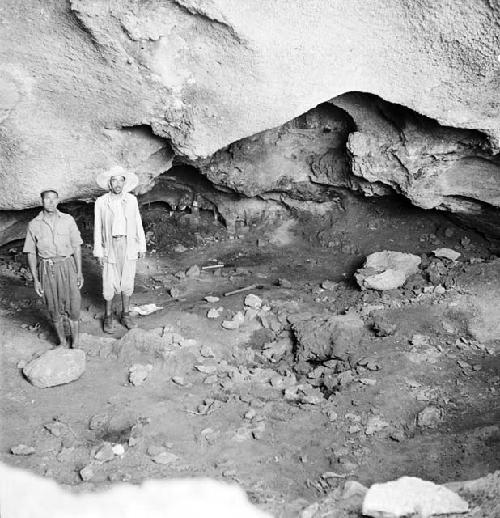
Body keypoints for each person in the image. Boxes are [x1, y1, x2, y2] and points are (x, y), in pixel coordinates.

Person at [23, 189, 84, 347]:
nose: (50, 202)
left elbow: (76, 246)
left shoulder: (68, 220)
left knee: (74, 302)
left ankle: (75, 341)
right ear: (41, 201)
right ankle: (62, 342)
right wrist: (36, 280)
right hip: (47, 268)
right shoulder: (34, 224)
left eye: (54, 199)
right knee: (52, 304)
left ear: (58, 201)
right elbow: (31, 252)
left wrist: (79, 272)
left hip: (67, 265)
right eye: (47, 199)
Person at [93, 165, 146, 333]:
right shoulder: (101, 202)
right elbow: (97, 227)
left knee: (127, 279)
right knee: (109, 281)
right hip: (110, 244)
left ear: (124, 183)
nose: (117, 183)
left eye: (120, 180)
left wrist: (142, 245)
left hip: (128, 243)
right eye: (114, 180)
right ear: (109, 183)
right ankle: (108, 316)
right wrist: (99, 251)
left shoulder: (131, 200)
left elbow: (138, 222)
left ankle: (125, 314)